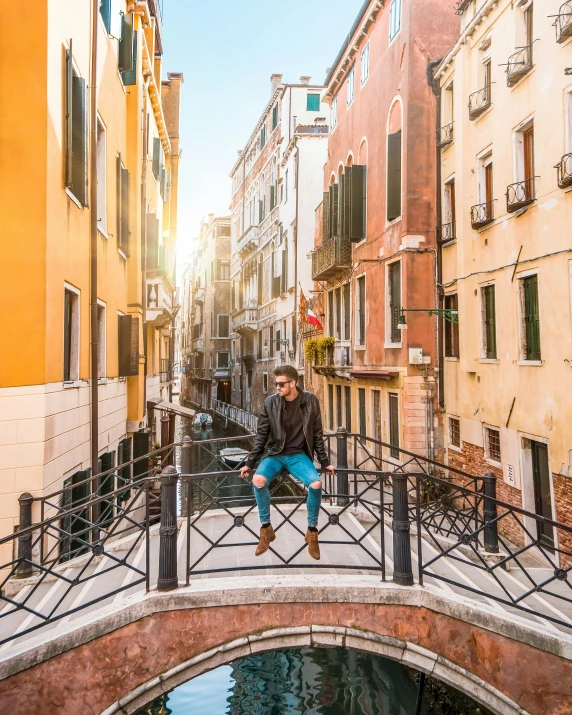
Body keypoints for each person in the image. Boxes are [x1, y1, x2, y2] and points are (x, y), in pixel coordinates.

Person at [239, 365, 335, 560]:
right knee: (258, 480)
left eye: (281, 384)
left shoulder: (310, 401)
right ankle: (266, 530)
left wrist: (325, 462)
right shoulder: (270, 403)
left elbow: (317, 434)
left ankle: (312, 532)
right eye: (276, 384)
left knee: (316, 484)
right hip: (274, 454)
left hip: (299, 455)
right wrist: (250, 462)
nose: (277, 387)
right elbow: (261, 435)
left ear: (293, 383)